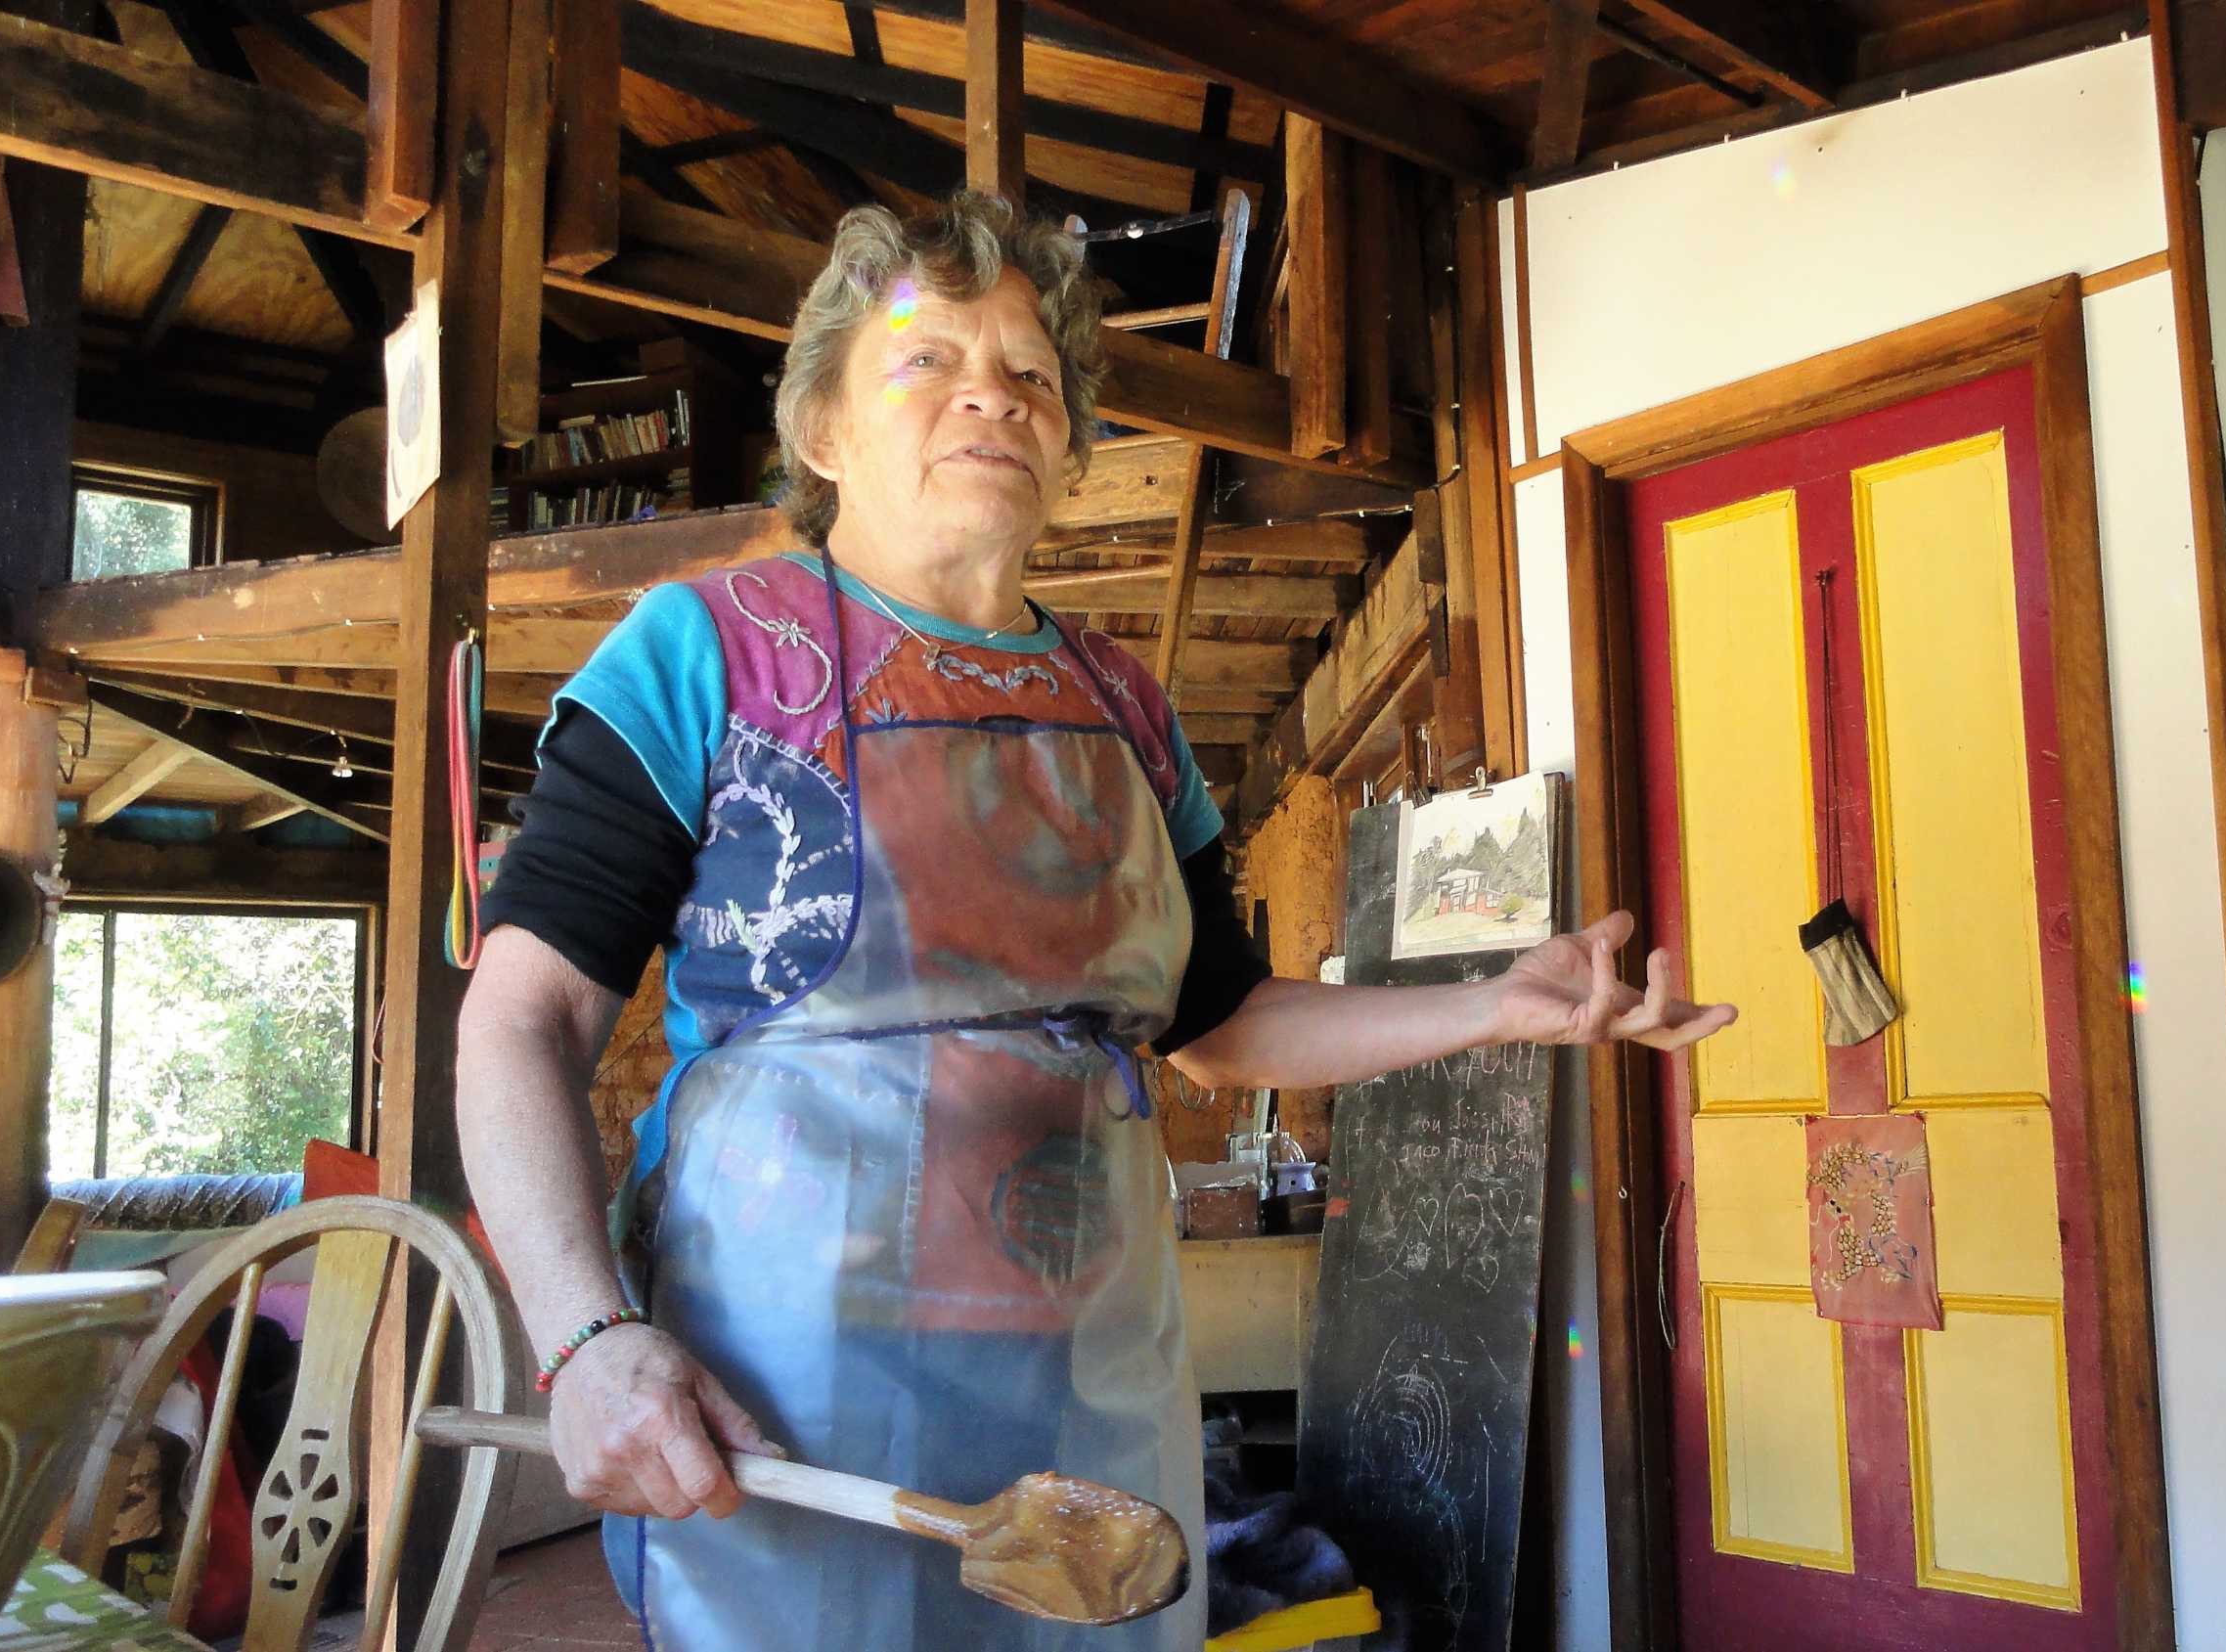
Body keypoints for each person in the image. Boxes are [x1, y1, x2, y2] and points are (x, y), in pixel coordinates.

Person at [456, 190, 1734, 1652]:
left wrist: (1498, 1001)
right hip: (785, 1413)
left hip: (1090, 1389)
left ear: (1064, 443)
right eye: (927, 356)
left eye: (1031, 374)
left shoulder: (1125, 708)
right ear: (823, 430)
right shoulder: (705, 653)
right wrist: (588, 1335)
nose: (992, 391)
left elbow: (1227, 1024)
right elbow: (521, 1017)